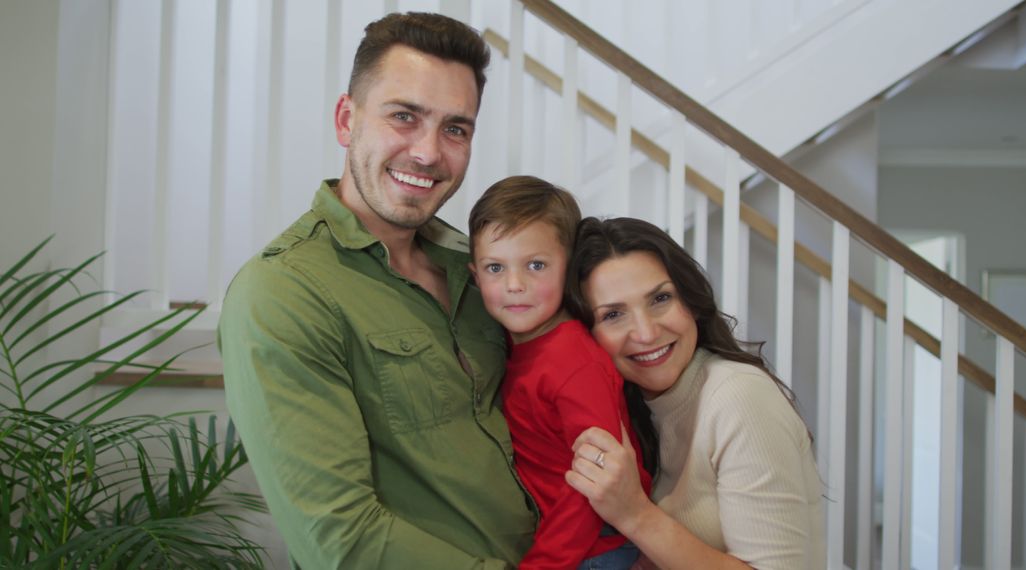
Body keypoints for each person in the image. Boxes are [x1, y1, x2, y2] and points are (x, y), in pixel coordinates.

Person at [217, 13, 537, 569]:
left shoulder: (481, 268)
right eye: (404, 116)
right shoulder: (282, 293)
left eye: (455, 129)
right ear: (347, 120)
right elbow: (341, 542)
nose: (429, 152)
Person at [563, 217, 825, 570]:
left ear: (691, 300)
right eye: (613, 315)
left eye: (660, 298)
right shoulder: (634, 408)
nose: (645, 332)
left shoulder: (739, 397)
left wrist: (634, 513)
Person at [467, 176, 651, 570]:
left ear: (568, 269)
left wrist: (543, 565)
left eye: (536, 265)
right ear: (475, 275)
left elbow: (596, 486)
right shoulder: (519, 344)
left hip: (594, 550)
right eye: (495, 267)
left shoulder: (574, 362)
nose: (515, 285)